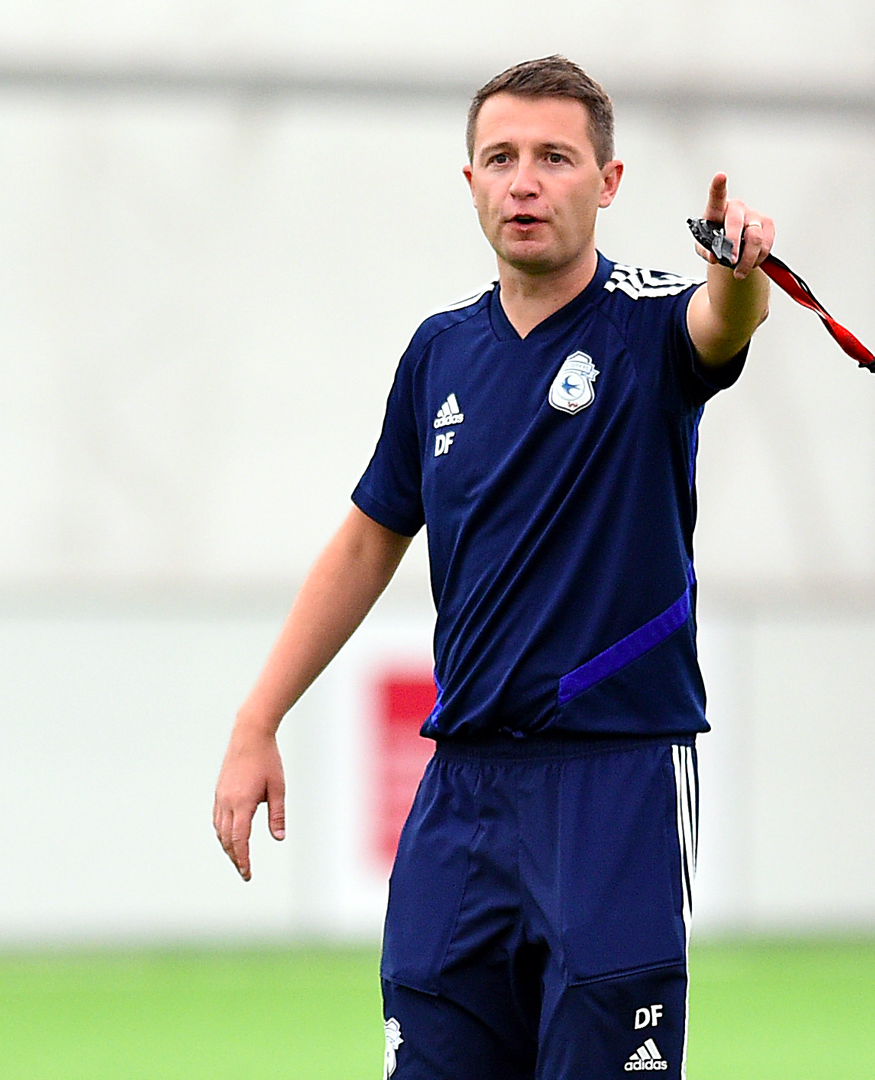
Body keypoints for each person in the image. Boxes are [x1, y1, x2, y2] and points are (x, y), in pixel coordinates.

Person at [212, 55, 773, 1079]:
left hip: (614, 775)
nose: (525, 180)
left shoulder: (648, 324)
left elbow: (720, 326)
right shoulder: (438, 355)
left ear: (607, 182)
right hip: (463, 790)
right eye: (501, 157)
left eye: (555, 157)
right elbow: (367, 540)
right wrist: (258, 718)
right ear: (469, 181)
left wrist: (738, 281)